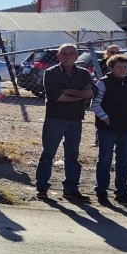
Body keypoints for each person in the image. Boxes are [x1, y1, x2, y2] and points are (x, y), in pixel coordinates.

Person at [34, 43, 95, 203]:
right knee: (48, 154)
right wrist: (79, 94)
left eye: (71, 54)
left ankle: (71, 190)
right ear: (58, 56)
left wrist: (67, 90)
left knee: (72, 155)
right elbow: (57, 97)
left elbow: (90, 93)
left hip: (75, 119)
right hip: (54, 118)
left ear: (76, 56)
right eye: (64, 54)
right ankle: (42, 188)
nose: (68, 57)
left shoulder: (83, 73)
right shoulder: (51, 73)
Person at [91, 54, 127, 207]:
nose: (122, 69)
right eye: (119, 67)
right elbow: (95, 104)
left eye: (125, 67)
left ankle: (122, 192)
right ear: (111, 68)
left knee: (123, 161)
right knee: (105, 160)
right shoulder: (103, 83)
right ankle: (101, 190)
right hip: (107, 128)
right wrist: (106, 118)